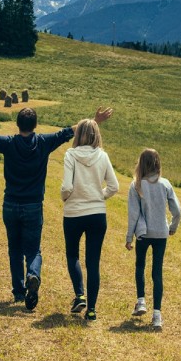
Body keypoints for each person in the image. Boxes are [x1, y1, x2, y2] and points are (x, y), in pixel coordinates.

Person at [0, 106, 113, 311]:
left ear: (18, 124)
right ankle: (33, 275)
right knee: (34, 250)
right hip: (33, 206)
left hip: (11, 204)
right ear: (35, 125)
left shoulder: (8, 143)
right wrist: (95, 121)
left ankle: (19, 291)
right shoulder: (44, 142)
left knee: (15, 249)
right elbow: (71, 131)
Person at [60, 119, 119, 322]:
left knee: (72, 255)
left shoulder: (70, 155)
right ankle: (92, 310)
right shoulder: (103, 156)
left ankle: (80, 294)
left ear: (78, 135)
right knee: (93, 262)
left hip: (74, 212)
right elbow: (114, 186)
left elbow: (67, 186)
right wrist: (98, 196)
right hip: (97, 214)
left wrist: (65, 198)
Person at [125, 148, 181, 331]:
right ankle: (157, 315)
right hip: (161, 232)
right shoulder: (165, 184)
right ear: (158, 163)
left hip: (143, 233)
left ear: (140, 164)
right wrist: (172, 227)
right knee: (157, 272)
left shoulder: (136, 185)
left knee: (140, 265)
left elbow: (133, 214)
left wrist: (129, 237)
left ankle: (141, 301)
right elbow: (177, 211)